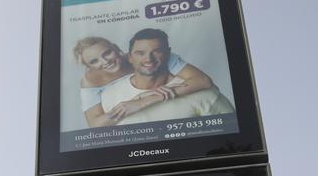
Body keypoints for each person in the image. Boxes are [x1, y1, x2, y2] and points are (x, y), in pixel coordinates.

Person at [72, 35, 215, 128]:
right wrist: (131, 103)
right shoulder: (89, 82)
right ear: (88, 66)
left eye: (107, 53)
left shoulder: (147, 58)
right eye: (94, 61)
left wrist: (145, 100)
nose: (105, 61)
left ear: (115, 48)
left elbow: (203, 81)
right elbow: (96, 124)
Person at [99, 28, 234, 125]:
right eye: (140, 53)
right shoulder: (110, 94)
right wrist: (139, 98)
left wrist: (145, 101)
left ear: (168, 53)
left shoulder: (202, 93)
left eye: (157, 51)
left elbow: (231, 135)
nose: (148, 59)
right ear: (129, 57)